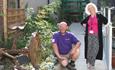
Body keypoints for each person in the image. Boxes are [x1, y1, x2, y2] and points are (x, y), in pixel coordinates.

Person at [81, 3, 108, 70]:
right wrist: (84, 25)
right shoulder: (88, 17)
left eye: (91, 8)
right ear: (88, 10)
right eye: (89, 8)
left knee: (95, 49)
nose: (90, 9)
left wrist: (106, 29)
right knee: (89, 49)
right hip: (89, 35)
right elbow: (82, 22)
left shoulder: (99, 16)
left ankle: (92, 63)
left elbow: (106, 21)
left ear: (94, 8)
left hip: (97, 35)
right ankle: (89, 63)